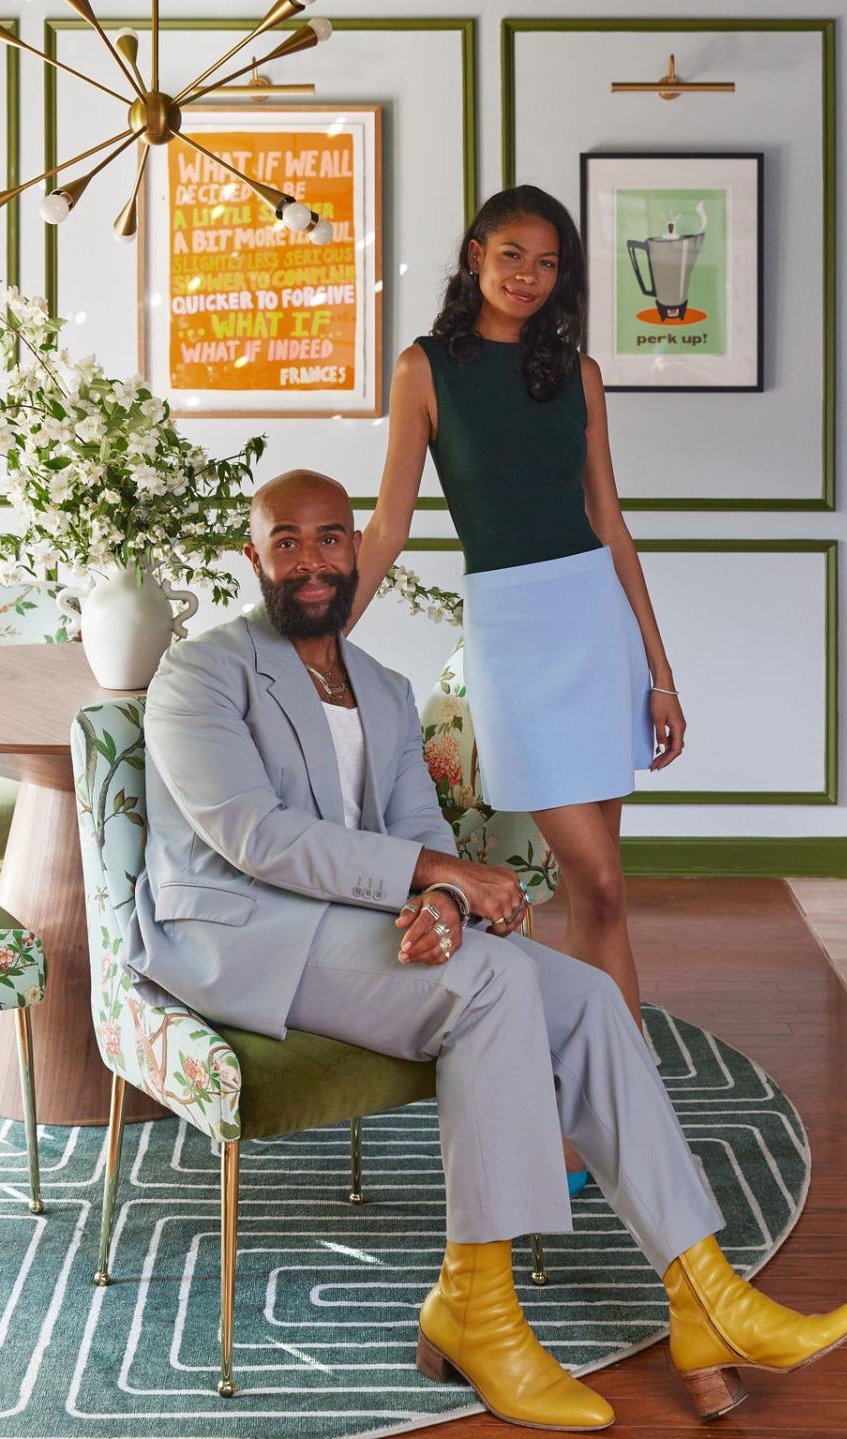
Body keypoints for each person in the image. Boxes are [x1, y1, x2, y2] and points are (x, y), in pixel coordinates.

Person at [125, 469, 847, 1434]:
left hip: (341, 925)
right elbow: (255, 836)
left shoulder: (387, 693)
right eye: (286, 541)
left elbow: (410, 824)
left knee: (589, 997)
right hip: (236, 933)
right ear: (253, 557)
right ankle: (478, 1308)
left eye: (328, 538)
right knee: (490, 984)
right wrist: (441, 873)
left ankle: (707, 1298)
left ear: (358, 549)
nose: (309, 560)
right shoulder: (202, 672)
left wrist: (439, 898)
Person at [349, 186, 675, 1165]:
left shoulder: (579, 373)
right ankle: (610, 1096)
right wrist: (319, 636)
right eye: (514, 256)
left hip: (596, 628)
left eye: (548, 264)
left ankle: (612, 1110)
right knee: (596, 874)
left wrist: (660, 671)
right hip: (514, 639)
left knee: (603, 897)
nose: (530, 276)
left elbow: (609, 522)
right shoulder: (424, 370)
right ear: (476, 253)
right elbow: (390, 524)